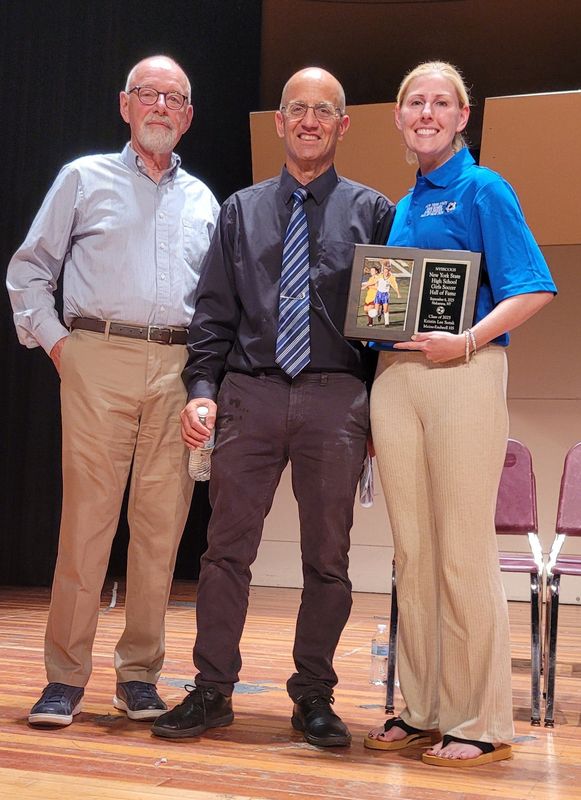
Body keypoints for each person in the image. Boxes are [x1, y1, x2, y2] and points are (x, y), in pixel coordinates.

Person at [151, 67, 394, 746]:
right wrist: (201, 391)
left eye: (324, 111)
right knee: (225, 551)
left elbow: (386, 325)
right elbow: (212, 316)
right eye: (297, 110)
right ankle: (212, 691)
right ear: (281, 122)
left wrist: (377, 407)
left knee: (328, 558)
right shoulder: (240, 211)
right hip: (249, 393)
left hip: (334, 397)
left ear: (342, 125)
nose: (310, 121)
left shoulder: (373, 212)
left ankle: (313, 696)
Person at [6, 55, 219, 727]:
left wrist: (203, 380)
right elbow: (29, 271)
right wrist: (62, 345)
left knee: (161, 530)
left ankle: (139, 677)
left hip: (176, 366)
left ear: (186, 117)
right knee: (87, 522)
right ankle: (65, 677)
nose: (160, 105)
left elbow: (214, 301)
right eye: (148, 94)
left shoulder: (204, 200)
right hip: (95, 352)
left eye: (174, 97)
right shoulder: (83, 177)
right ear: (125, 105)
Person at [365, 61, 556, 767]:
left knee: (460, 551)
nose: (426, 112)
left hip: (465, 374)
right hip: (397, 380)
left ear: (461, 117)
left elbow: (531, 288)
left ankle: (478, 718)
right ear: (397, 115)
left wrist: (469, 339)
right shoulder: (401, 203)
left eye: (440, 103)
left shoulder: (484, 188)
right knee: (413, 553)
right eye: (414, 101)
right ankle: (421, 708)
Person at [374, 260, 400, 326]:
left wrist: (398, 293)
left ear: (389, 271)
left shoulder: (391, 277)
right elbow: (375, 281)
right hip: (379, 294)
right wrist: (374, 284)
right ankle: (379, 314)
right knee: (376, 310)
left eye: (387, 271)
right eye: (385, 271)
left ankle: (387, 323)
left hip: (385, 294)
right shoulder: (380, 275)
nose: (386, 272)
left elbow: (395, 286)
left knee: (385, 310)